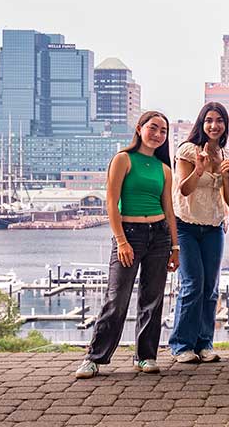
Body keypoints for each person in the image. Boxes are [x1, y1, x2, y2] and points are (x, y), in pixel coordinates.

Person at [75, 111, 179, 378]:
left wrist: (175, 247)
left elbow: (169, 209)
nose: (158, 134)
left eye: (163, 131)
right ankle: (95, 357)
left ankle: (145, 356)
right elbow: (110, 202)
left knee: (152, 299)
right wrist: (121, 240)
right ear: (140, 128)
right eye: (153, 128)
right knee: (116, 298)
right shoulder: (123, 159)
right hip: (130, 234)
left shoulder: (164, 169)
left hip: (159, 236)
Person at [169, 102, 229, 363]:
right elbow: (184, 190)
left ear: (225, 126)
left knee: (210, 287)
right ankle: (181, 345)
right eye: (209, 120)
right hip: (186, 225)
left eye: (219, 120)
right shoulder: (188, 150)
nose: (214, 125)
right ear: (201, 123)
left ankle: (204, 343)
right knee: (192, 285)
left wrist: (227, 176)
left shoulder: (224, 153)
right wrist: (199, 169)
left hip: (213, 227)